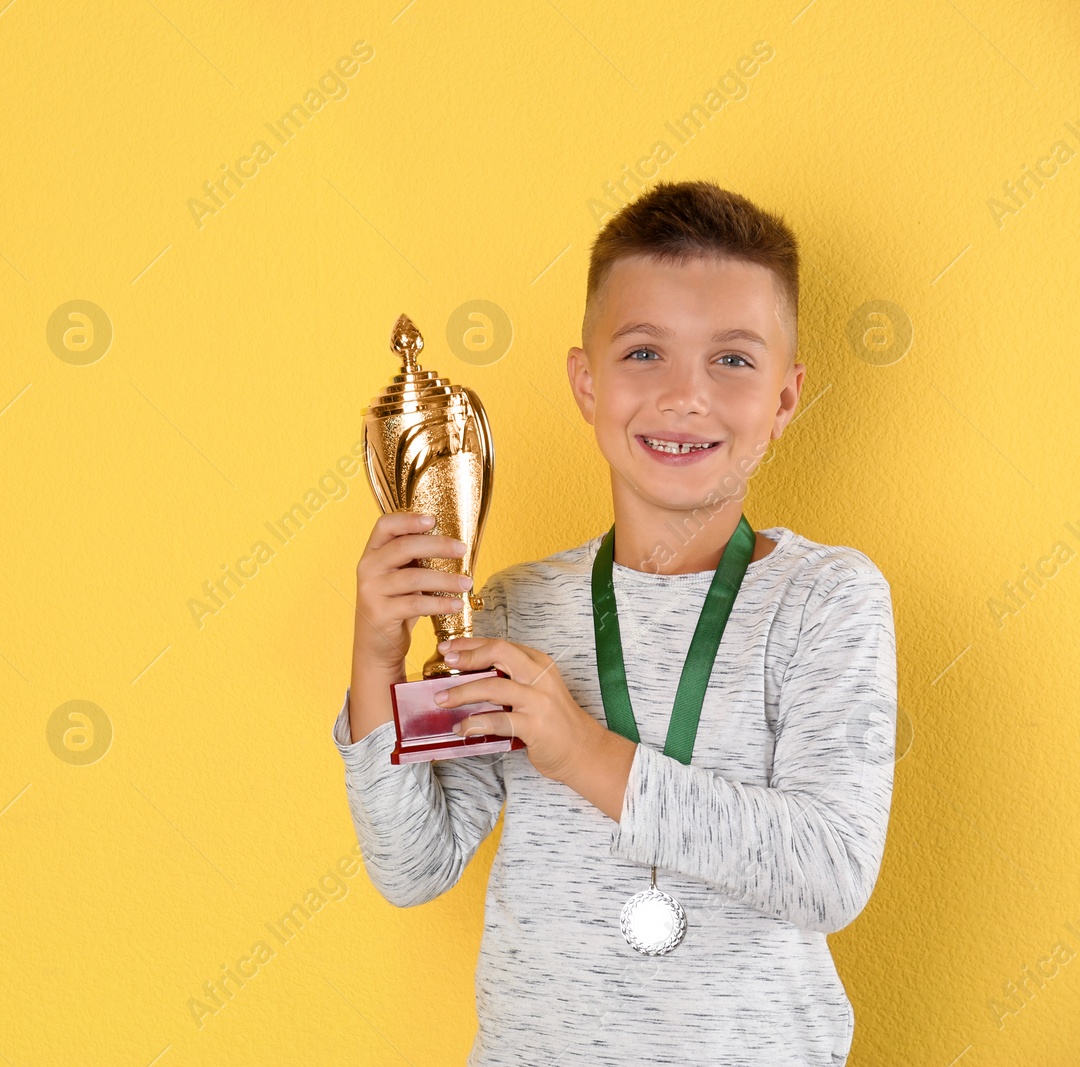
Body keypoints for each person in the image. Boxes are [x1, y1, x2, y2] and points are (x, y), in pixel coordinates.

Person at [334, 179, 898, 1065]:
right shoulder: (515, 607)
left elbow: (828, 873)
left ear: (785, 401)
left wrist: (583, 751)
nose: (685, 396)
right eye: (644, 353)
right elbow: (414, 866)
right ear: (584, 384)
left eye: (734, 359)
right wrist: (377, 660)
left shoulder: (829, 599)